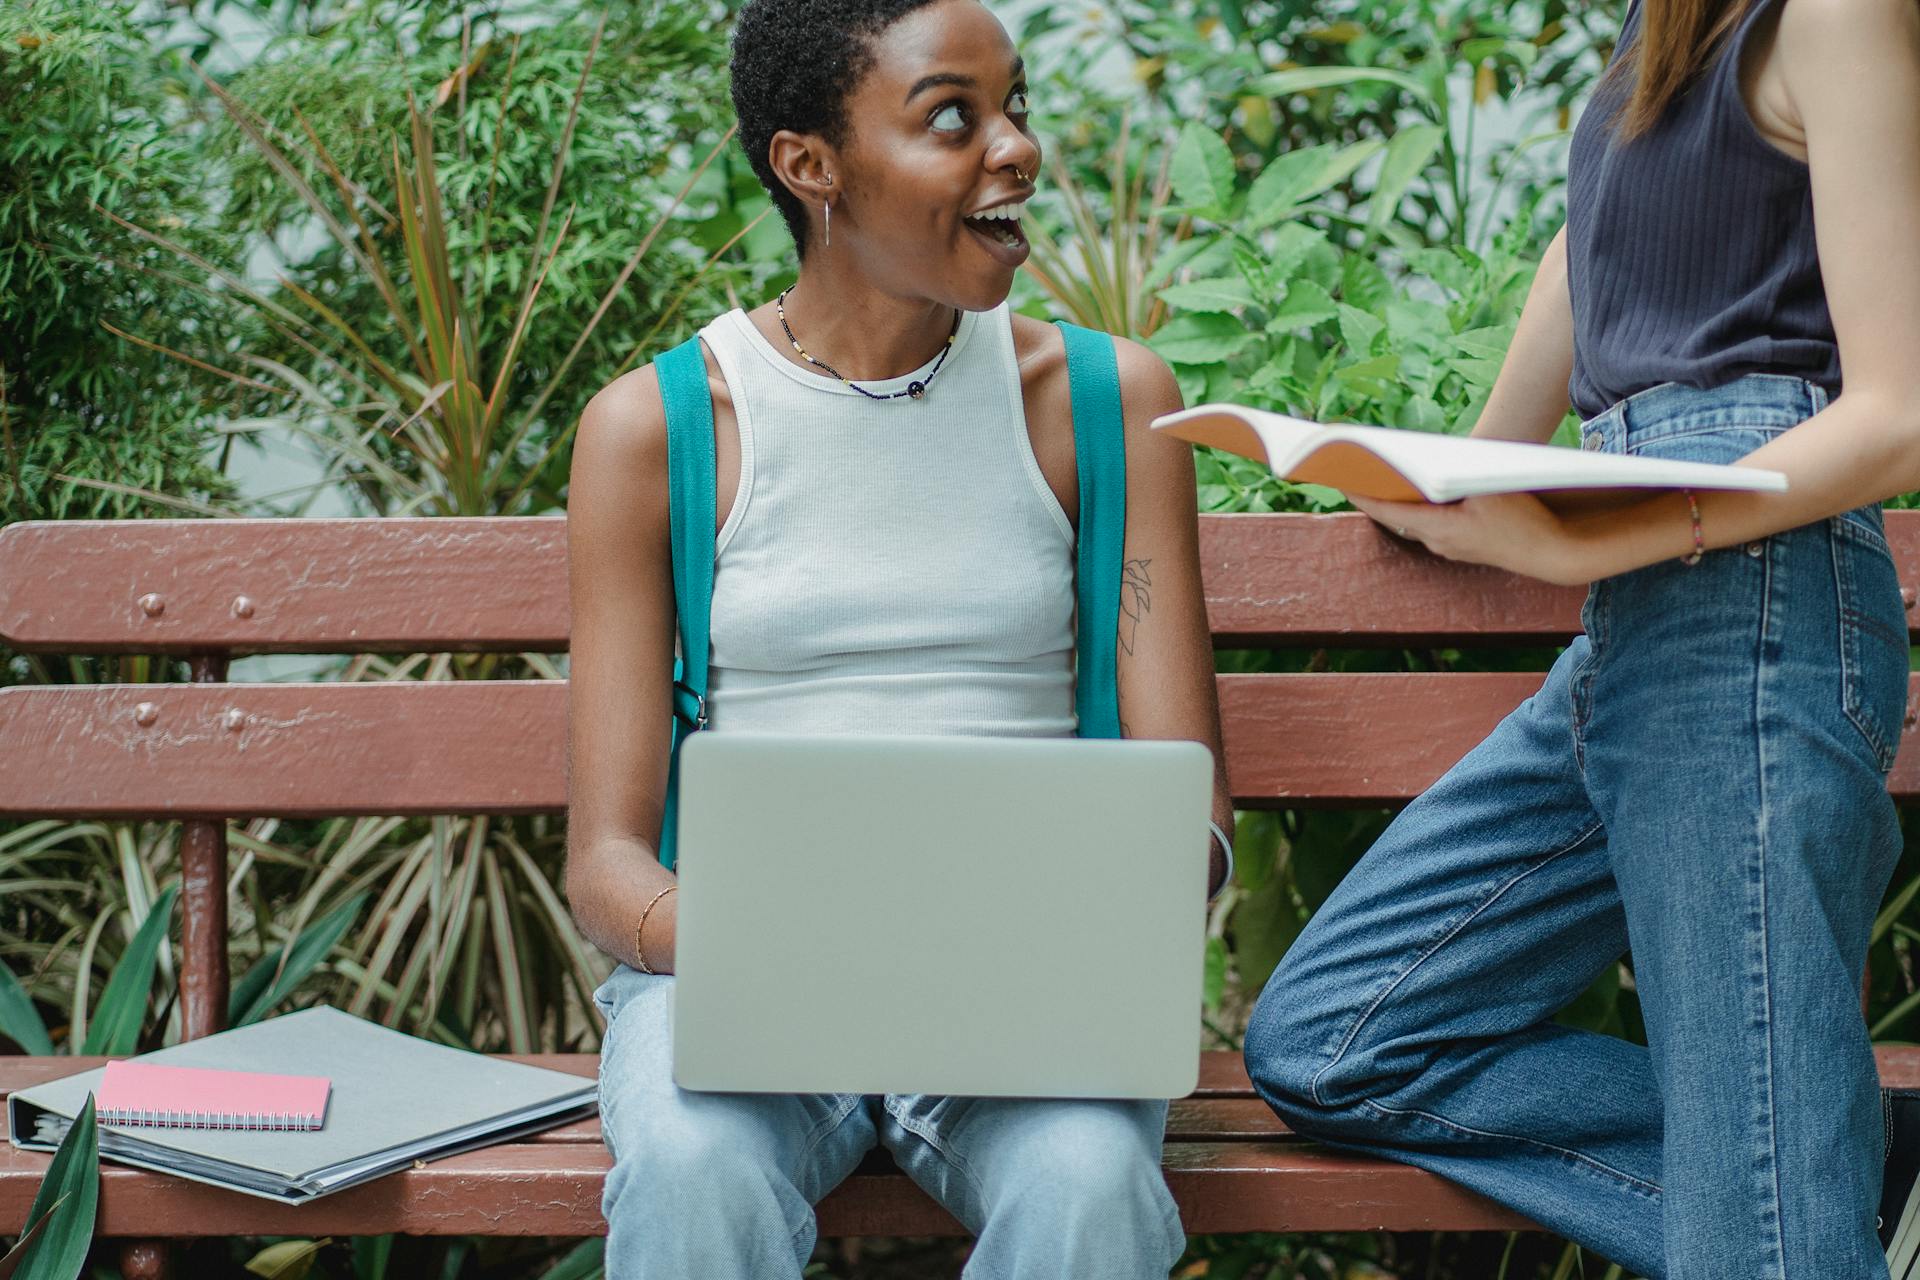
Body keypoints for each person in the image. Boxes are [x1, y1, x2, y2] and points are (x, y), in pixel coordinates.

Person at [1241, 0, 1920, 1276]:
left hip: (1747, 594)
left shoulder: (1833, 12)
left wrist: (1588, 543)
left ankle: (1792, 1196)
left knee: (1759, 1243)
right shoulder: (1658, 33)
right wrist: (1455, 475)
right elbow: (1590, 253)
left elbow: (1899, 413)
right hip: (1641, 614)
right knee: (1337, 1036)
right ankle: (1839, 1175)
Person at [563, 1, 1235, 1275]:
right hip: (739, 993)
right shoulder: (659, 428)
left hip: (1028, 1005)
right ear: (808, 164)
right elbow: (606, 856)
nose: (1017, 148)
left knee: (1090, 1183)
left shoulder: (1104, 404)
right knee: (694, 1167)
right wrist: (755, 943)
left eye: (1016, 106)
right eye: (952, 118)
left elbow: (1194, 816)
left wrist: (1094, 907)